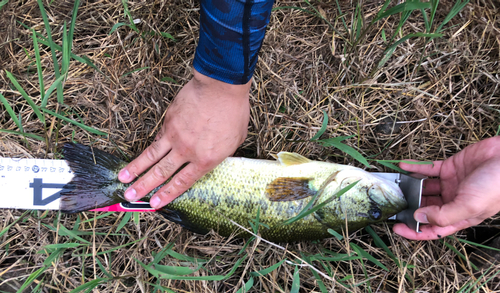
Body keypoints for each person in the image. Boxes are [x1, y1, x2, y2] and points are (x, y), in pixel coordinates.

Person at [117, 1, 500, 241]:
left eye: (368, 210)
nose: (379, 201)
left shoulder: (303, 190)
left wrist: (220, 82)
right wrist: (219, 83)